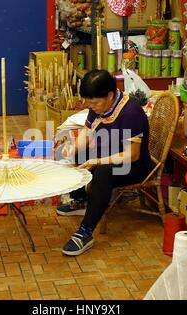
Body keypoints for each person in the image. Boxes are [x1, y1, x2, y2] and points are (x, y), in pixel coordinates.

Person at [57, 70, 153, 256]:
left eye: (94, 103)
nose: (91, 107)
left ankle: (85, 232)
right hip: (110, 154)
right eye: (89, 102)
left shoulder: (131, 113)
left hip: (135, 165)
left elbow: (132, 155)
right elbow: (87, 132)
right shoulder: (99, 107)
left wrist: (97, 161)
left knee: (103, 172)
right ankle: (80, 200)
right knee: (71, 152)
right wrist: (72, 150)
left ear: (110, 95)